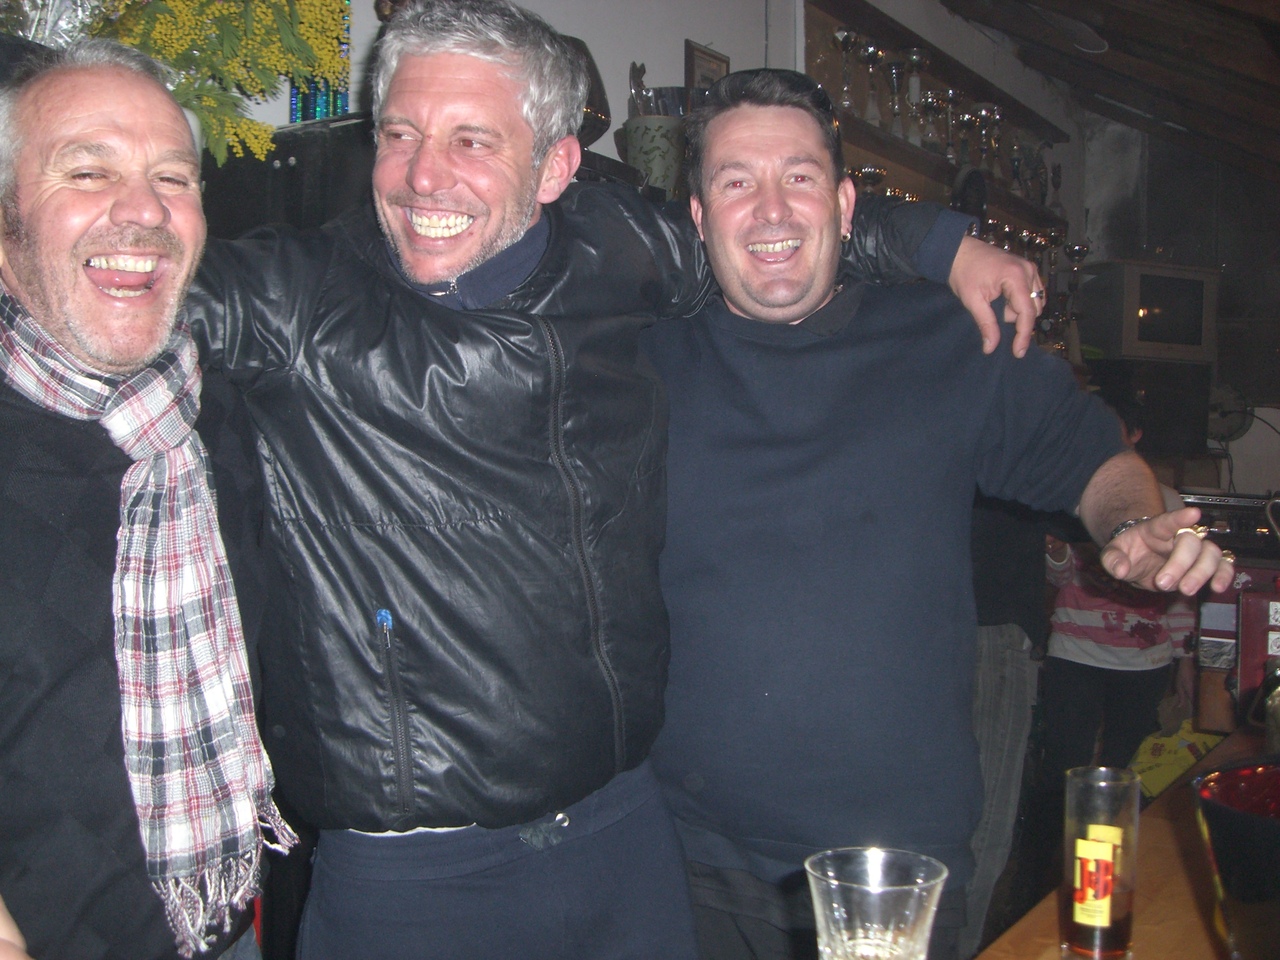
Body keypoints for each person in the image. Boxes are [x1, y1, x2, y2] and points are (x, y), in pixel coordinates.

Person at [185, 1, 1044, 955]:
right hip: (420, 873)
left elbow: (769, 222)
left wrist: (941, 243)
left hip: (626, 836)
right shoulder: (295, 298)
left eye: (471, 140)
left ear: (557, 167)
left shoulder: (618, 249)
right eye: (400, 134)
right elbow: (124, 307)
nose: (424, 175)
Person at [639, 68, 1232, 960]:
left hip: (889, 869)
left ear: (845, 204)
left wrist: (1129, 527)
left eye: (799, 177)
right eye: (736, 182)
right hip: (680, 859)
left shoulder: (948, 339)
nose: (771, 210)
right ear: (696, 216)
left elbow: (1097, 462)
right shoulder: (643, 362)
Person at [0, 40, 294, 960]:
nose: (143, 211)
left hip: (229, 924)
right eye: (87, 171)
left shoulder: (222, 417)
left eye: (173, 177)